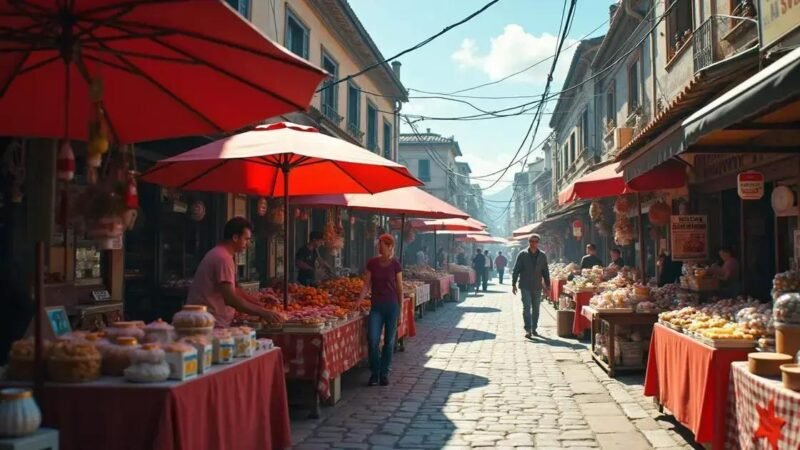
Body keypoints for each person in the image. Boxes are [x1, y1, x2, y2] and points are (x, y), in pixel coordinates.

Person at [188, 217, 285, 327]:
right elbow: (230, 299)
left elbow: (234, 290)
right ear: (235, 237)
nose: (247, 244)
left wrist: (258, 302)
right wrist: (262, 312)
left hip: (208, 320)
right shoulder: (223, 258)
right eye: (246, 239)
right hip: (209, 323)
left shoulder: (220, 253)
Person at [359, 234, 403, 386]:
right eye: (379, 245)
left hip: (392, 306)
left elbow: (400, 289)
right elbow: (366, 285)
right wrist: (359, 300)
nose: (379, 247)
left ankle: (384, 373)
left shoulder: (395, 264)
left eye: (382, 245)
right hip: (376, 307)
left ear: (390, 246)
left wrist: (401, 311)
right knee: (373, 339)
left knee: (389, 342)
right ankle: (374, 372)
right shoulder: (372, 263)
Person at [512, 234, 550, 338]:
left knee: (536, 309)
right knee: (527, 307)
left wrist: (548, 286)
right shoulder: (522, 254)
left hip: (537, 286)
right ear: (528, 242)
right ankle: (528, 329)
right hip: (525, 285)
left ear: (538, 243)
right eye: (531, 241)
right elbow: (516, 269)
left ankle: (534, 328)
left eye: (536, 241)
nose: (533, 244)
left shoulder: (542, 256)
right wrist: (513, 284)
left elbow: (545, 272)